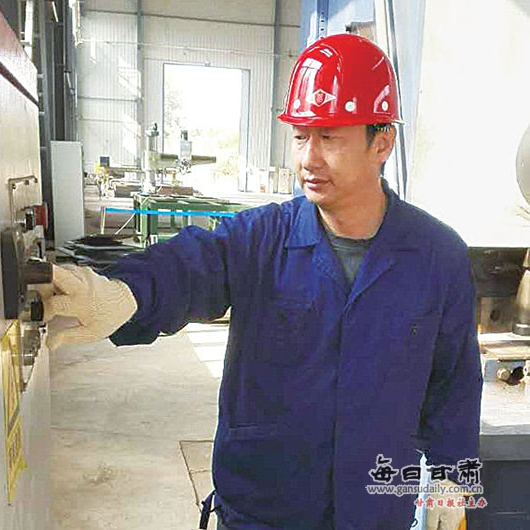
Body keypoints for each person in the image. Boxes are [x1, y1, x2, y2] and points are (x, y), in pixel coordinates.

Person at [43, 34, 482, 530]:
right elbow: (189, 266)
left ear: (381, 143)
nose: (308, 159)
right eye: (300, 136)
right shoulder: (260, 240)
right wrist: (123, 294)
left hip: (373, 512)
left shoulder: (436, 257)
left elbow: (455, 381)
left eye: (329, 138)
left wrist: (451, 478)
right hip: (264, 509)